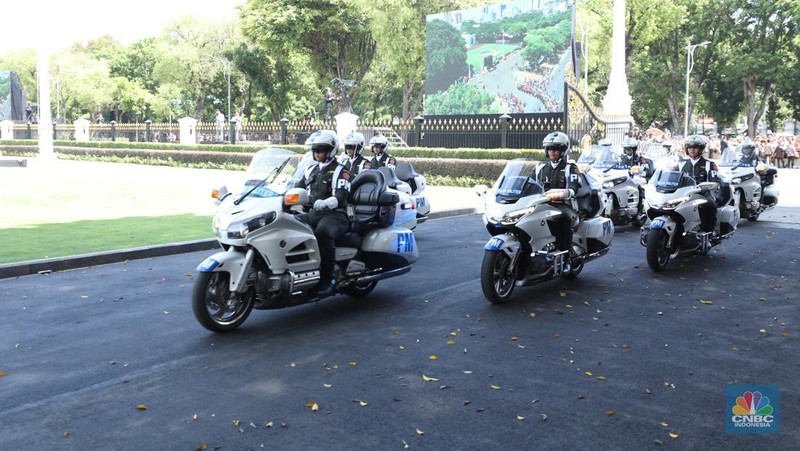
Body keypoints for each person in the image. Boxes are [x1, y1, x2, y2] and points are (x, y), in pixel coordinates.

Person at [297, 130, 351, 296]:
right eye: (314, 150)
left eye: (319, 150)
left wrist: (327, 203)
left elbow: (342, 195)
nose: (316, 153)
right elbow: (295, 187)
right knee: (291, 226)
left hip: (336, 215)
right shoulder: (310, 169)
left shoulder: (341, 171)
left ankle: (328, 279)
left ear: (330, 150)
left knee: (323, 232)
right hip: (314, 213)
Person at [532, 131, 581, 253]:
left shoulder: (571, 168)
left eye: (555, 149)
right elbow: (529, 184)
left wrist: (568, 192)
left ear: (562, 151)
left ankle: (567, 250)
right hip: (542, 205)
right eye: (549, 149)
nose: (552, 151)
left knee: (561, 218)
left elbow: (575, 186)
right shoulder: (541, 168)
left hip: (563, 205)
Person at [680, 135, 720, 235]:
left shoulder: (709, 164)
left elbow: (714, 181)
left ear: (701, 149)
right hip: (683, 194)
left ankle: (709, 231)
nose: (692, 150)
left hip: (702, 194)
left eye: (695, 147)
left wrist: (707, 187)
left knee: (710, 205)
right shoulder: (681, 164)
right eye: (689, 147)